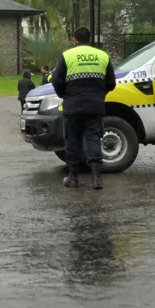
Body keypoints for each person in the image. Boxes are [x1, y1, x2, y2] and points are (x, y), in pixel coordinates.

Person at [51, 27, 116, 189]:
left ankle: (73, 178)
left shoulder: (67, 56)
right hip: (95, 106)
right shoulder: (103, 56)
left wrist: (64, 95)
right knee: (93, 138)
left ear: (75, 40)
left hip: (73, 106)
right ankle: (96, 178)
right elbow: (111, 83)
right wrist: (99, 94)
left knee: (72, 140)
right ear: (91, 40)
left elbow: (57, 81)